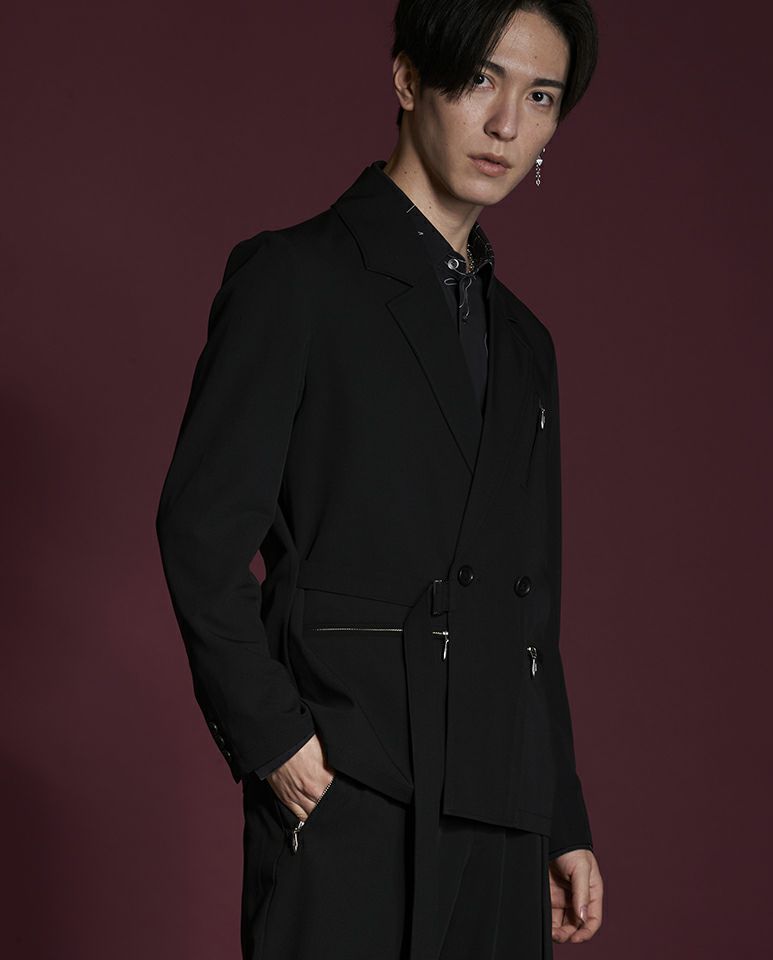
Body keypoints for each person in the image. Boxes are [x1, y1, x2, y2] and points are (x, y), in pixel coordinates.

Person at [155, 1, 604, 957]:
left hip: (502, 805)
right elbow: (200, 535)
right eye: (480, 80)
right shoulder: (294, 278)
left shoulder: (527, 346)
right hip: (354, 788)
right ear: (407, 79)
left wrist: (560, 815)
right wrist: (276, 743)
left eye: (541, 97)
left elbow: (533, 608)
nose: (506, 125)